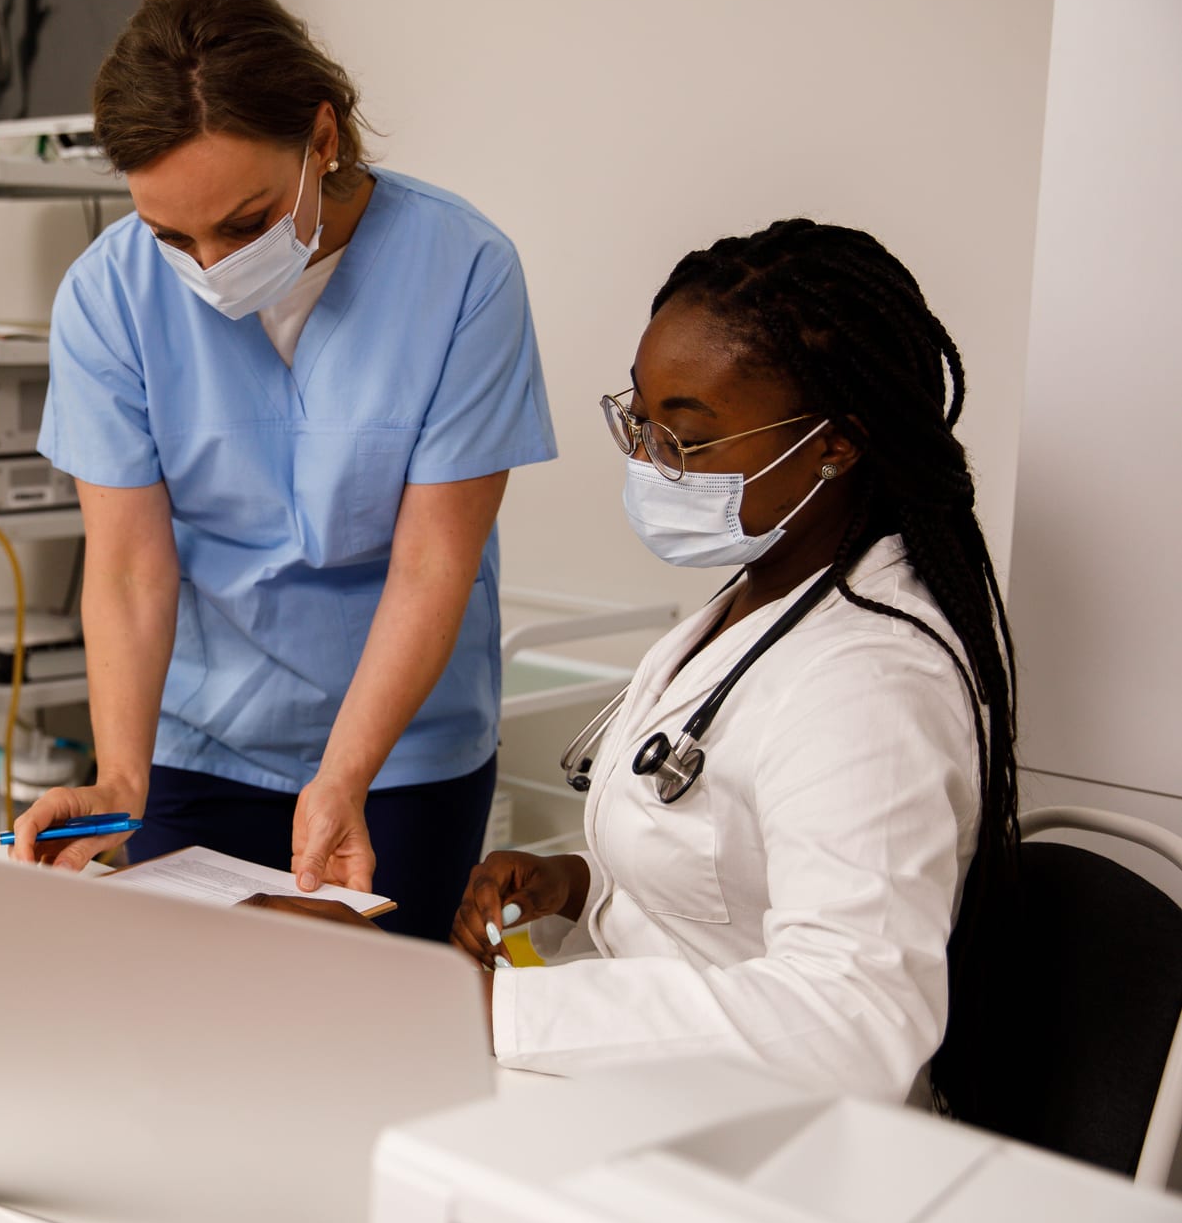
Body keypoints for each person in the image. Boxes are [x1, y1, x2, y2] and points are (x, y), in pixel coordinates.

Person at [258, 219, 1020, 1108]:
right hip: (660, 1102)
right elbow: (732, 882)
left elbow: (852, 1017)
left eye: (686, 440)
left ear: (833, 444)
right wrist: (580, 886)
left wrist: (494, 1007)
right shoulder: (762, 600)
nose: (652, 464)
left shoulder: (870, 685)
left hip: (787, 1153)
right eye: (640, 421)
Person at [12, 0, 556, 941]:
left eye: (247, 222)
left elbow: (433, 560)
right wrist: (121, 777)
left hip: (406, 759)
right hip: (203, 742)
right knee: (193, 1037)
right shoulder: (109, 297)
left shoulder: (465, 272)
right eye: (170, 233)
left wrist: (345, 776)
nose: (211, 268)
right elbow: (133, 566)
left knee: (382, 1045)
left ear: (322, 139)